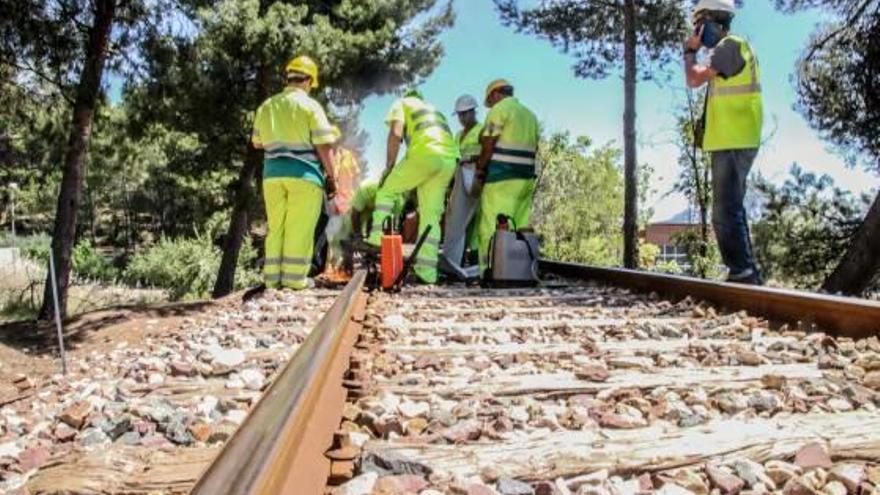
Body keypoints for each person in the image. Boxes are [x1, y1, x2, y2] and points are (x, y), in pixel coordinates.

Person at [684, 0, 764, 285]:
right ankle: (747, 272)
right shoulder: (728, 49)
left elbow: (694, 79)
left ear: (712, 22)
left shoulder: (731, 46)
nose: (696, 31)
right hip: (732, 138)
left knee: (725, 211)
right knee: (731, 208)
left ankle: (742, 273)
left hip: (735, 138)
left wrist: (690, 52)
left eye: (698, 25)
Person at [251, 55, 337, 289]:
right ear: (309, 80)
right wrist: (332, 177)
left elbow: (257, 143)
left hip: (272, 176)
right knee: (299, 228)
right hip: (304, 176)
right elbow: (324, 146)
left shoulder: (267, 106)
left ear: (289, 78)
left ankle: (272, 279)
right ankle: (294, 280)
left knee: (276, 226)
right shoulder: (310, 106)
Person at [366, 89, 459, 283]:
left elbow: (395, 133)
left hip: (425, 154)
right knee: (431, 216)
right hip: (449, 160)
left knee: (386, 191)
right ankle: (427, 273)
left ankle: (375, 239)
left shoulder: (402, 103)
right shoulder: (434, 110)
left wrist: (389, 167)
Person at [473, 79, 540, 276]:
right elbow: (535, 147)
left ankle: (488, 270)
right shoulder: (530, 115)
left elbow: (489, 141)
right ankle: (520, 272)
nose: (491, 105)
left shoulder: (499, 109)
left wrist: (481, 167)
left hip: (501, 177)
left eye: (490, 101)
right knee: (519, 226)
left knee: (490, 226)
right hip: (525, 178)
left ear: (495, 94)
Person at [441, 94, 484, 280]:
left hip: (476, 176)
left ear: (473, 112)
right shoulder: (458, 135)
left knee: (474, 223)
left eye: (464, 114)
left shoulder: (482, 130)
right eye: (459, 115)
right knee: (456, 220)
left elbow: (487, 153)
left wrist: (473, 160)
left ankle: (474, 262)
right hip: (461, 176)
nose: (461, 119)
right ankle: (454, 263)